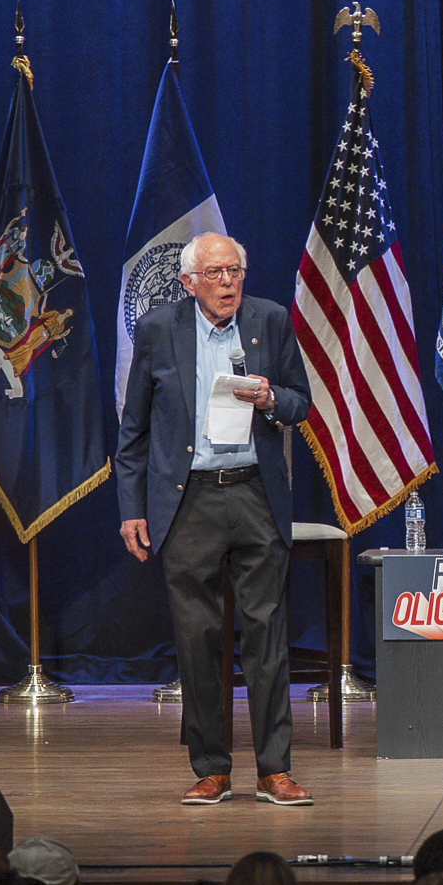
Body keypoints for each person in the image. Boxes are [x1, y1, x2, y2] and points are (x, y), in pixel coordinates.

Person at [116, 232, 315, 806]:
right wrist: (131, 509)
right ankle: (211, 768)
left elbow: (301, 403)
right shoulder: (158, 330)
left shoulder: (270, 320)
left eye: (236, 271)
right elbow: (134, 433)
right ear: (189, 282)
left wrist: (272, 399)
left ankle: (274, 769)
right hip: (188, 500)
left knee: (266, 638)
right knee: (198, 639)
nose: (228, 282)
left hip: (254, 494)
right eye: (217, 273)